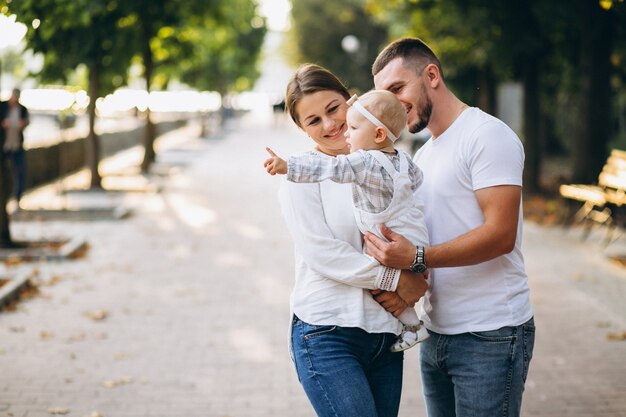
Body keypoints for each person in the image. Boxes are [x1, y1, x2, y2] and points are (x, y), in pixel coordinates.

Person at [365, 37, 535, 417]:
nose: (392, 103)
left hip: (491, 333)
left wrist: (418, 257)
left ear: (431, 75)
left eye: (397, 88)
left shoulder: (487, 135)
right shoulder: (423, 154)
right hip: (436, 332)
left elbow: (500, 234)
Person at [267, 63, 428, 417]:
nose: (330, 125)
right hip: (327, 334)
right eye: (313, 121)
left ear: (350, 101)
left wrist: (420, 272)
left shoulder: (392, 165)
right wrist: (399, 280)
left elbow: (416, 228)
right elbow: (325, 255)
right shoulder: (301, 177)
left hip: (385, 336)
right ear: (302, 130)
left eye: (333, 109)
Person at [0, 88, 29, 207]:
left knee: (20, 172)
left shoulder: (22, 109)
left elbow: (26, 121)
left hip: (17, 144)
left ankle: (17, 197)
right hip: (4, 145)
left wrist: (24, 123)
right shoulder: (3, 107)